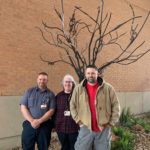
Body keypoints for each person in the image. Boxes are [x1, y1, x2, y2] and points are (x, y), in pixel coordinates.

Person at [70, 65, 120, 150]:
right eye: (88, 73)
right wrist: (78, 121)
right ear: (85, 74)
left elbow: (116, 105)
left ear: (97, 74)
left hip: (103, 128)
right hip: (85, 127)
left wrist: (111, 123)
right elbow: (72, 105)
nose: (90, 75)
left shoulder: (108, 88)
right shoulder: (78, 88)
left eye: (93, 73)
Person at [20, 72, 55, 150]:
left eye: (44, 79)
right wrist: (32, 121)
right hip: (29, 124)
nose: (42, 81)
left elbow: (51, 110)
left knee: (43, 147)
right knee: (27, 147)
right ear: (37, 80)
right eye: (40, 79)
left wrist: (39, 121)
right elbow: (23, 107)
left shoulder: (51, 94)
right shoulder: (29, 91)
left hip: (44, 125)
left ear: (47, 81)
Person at [54, 74, 79, 150]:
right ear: (63, 83)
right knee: (64, 147)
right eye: (66, 82)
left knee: (74, 147)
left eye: (70, 82)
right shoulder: (58, 96)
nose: (68, 84)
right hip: (61, 128)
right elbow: (54, 112)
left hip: (74, 127)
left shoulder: (77, 95)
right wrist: (54, 125)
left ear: (73, 84)